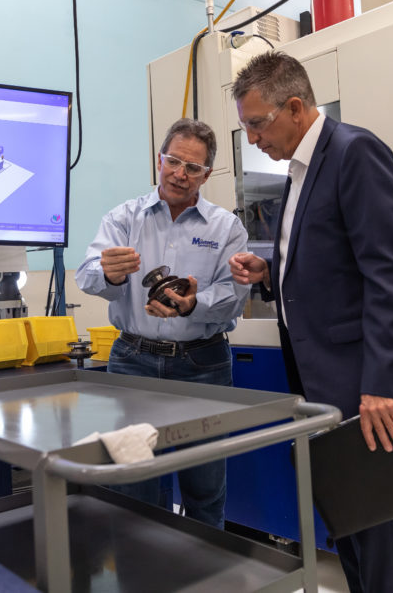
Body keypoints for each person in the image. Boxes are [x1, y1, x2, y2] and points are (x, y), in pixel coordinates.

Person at [227, 51, 393, 592]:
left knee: (375, 525)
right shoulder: (301, 171)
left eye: (258, 124)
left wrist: (383, 382)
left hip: (361, 381)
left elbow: (390, 273)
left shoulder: (354, 152)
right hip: (324, 379)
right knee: (348, 520)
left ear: (297, 107)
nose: (254, 140)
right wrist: (269, 272)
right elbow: (328, 261)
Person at [76, 117, 250, 529]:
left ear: (207, 174)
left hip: (202, 366)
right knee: (133, 489)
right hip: (132, 361)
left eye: (193, 168)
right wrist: (113, 275)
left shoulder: (226, 228)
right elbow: (87, 276)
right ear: (160, 159)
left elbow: (234, 298)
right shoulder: (124, 219)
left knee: (204, 488)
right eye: (173, 161)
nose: (180, 174)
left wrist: (193, 305)